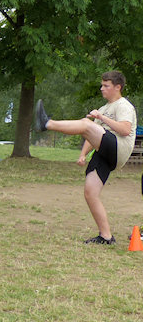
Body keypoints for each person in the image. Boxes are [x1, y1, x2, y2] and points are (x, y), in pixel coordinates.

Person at [35, 71, 137, 245]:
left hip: (119, 148)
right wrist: (82, 155)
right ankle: (106, 237)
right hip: (105, 152)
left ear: (118, 87)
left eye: (106, 86)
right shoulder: (104, 109)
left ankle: (47, 123)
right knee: (90, 193)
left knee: (85, 123)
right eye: (102, 85)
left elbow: (125, 130)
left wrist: (101, 118)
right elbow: (91, 135)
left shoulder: (123, 105)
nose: (102, 88)